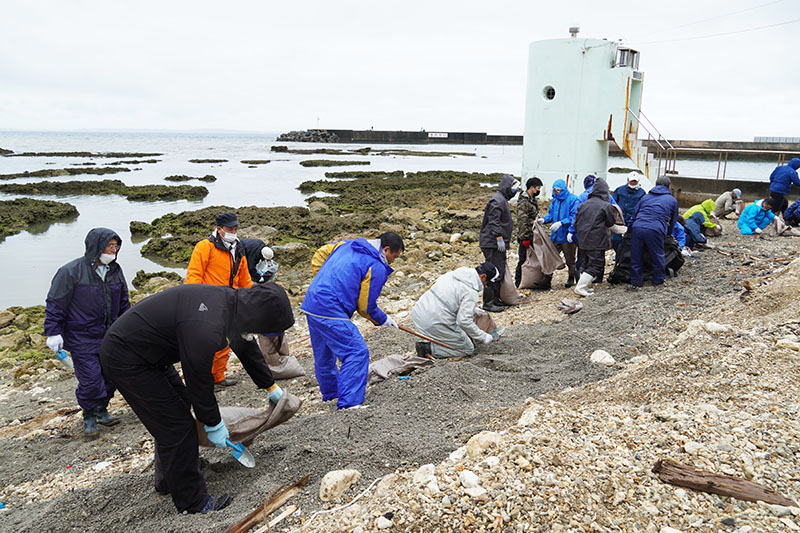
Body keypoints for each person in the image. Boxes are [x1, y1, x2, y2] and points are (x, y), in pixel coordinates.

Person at [99, 283, 292, 514]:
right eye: (264, 330)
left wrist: (270, 387)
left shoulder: (235, 306)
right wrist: (213, 423)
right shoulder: (207, 323)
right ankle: (193, 503)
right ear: (258, 316)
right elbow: (198, 377)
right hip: (126, 357)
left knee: (179, 407)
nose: (261, 335)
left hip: (150, 353)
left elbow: (245, 346)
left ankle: (169, 478)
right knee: (176, 426)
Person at [301, 232, 403, 409]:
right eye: (395, 256)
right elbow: (366, 307)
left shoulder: (347, 245)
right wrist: (384, 320)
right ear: (386, 249)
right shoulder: (376, 266)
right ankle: (350, 404)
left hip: (311, 302)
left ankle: (331, 395)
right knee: (356, 352)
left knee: (324, 355)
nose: (393, 261)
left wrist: (324, 280)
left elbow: (320, 255)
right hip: (330, 308)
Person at [44, 228, 130, 437]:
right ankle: (89, 415)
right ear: (97, 247)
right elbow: (56, 303)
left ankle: (102, 410)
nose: (114, 250)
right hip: (82, 337)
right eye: (110, 246)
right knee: (91, 380)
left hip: (111, 335)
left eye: (116, 245)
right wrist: (53, 332)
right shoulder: (70, 272)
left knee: (111, 377)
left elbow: (124, 303)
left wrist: (131, 328)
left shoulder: (115, 270)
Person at [186, 212, 253, 388]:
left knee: (226, 343)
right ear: (219, 229)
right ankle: (205, 380)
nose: (233, 231)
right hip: (209, 303)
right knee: (208, 344)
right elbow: (194, 275)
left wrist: (249, 300)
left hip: (231, 302)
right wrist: (197, 303)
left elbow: (244, 278)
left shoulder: (238, 248)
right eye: (230, 228)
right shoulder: (204, 247)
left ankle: (218, 376)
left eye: (236, 228)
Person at [411, 263, 503, 359]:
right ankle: (427, 348)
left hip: (419, 312)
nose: (485, 286)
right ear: (483, 277)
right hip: (433, 321)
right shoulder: (470, 292)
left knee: (459, 329)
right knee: (467, 349)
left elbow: (449, 299)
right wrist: (483, 337)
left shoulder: (455, 274)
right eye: (487, 283)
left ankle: (444, 339)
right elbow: (464, 322)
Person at [572, 179, 624, 296]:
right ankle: (580, 287)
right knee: (596, 264)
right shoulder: (606, 206)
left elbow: (576, 223)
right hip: (596, 240)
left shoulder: (583, 205)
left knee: (585, 263)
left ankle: (582, 285)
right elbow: (610, 223)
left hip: (582, 239)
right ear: (605, 191)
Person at [628, 176, 679, 288]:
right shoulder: (672, 200)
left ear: (655, 185)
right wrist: (668, 234)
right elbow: (673, 219)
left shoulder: (645, 197)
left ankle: (636, 281)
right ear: (669, 187)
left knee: (636, 256)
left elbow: (634, 215)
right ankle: (657, 281)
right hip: (655, 229)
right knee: (657, 255)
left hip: (638, 227)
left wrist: (629, 230)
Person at [479, 174, 518, 310]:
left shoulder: (501, 200)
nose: (515, 191)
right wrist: (499, 237)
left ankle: (495, 298)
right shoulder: (497, 200)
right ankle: (489, 303)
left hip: (494, 242)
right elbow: (493, 220)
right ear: (507, 187)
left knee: (498, 269)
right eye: (513, 188)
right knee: (492, 272)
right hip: (492, 243)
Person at [542, 178, 580, 287]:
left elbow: (574, 217)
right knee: (550, 257)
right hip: (556, 236)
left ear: (563, 189)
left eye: (558, 190)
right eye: (555, 190)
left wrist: (562, 223)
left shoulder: (573, 199)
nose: (557, 192)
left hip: (567, 235)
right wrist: (544, 220)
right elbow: (551, 215)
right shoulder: (555, 200)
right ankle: (547, 279)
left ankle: (571, 277)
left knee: (570, 259)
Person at [515, 177, 542, 287]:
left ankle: (531, 279)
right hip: (526, 236)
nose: (538, 191)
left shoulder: (531, 200)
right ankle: (519, 282)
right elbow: (522, 221)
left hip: (533, 234)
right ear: (531, 188)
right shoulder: (524, 202)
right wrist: (524, 238)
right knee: (523, 259)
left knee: (532, 259)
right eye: (538, 188)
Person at [611, 172, 646, 246]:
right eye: (631, 181)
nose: (633, 183)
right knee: (615, 239)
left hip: (633, 219)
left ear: (638, 181)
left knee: (632, 239)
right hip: (619, 219)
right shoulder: (619, 190)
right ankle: (618, 254)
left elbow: (643, 207)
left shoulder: (642, 193)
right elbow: (613, 203)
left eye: (635, 181)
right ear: (627, 180)